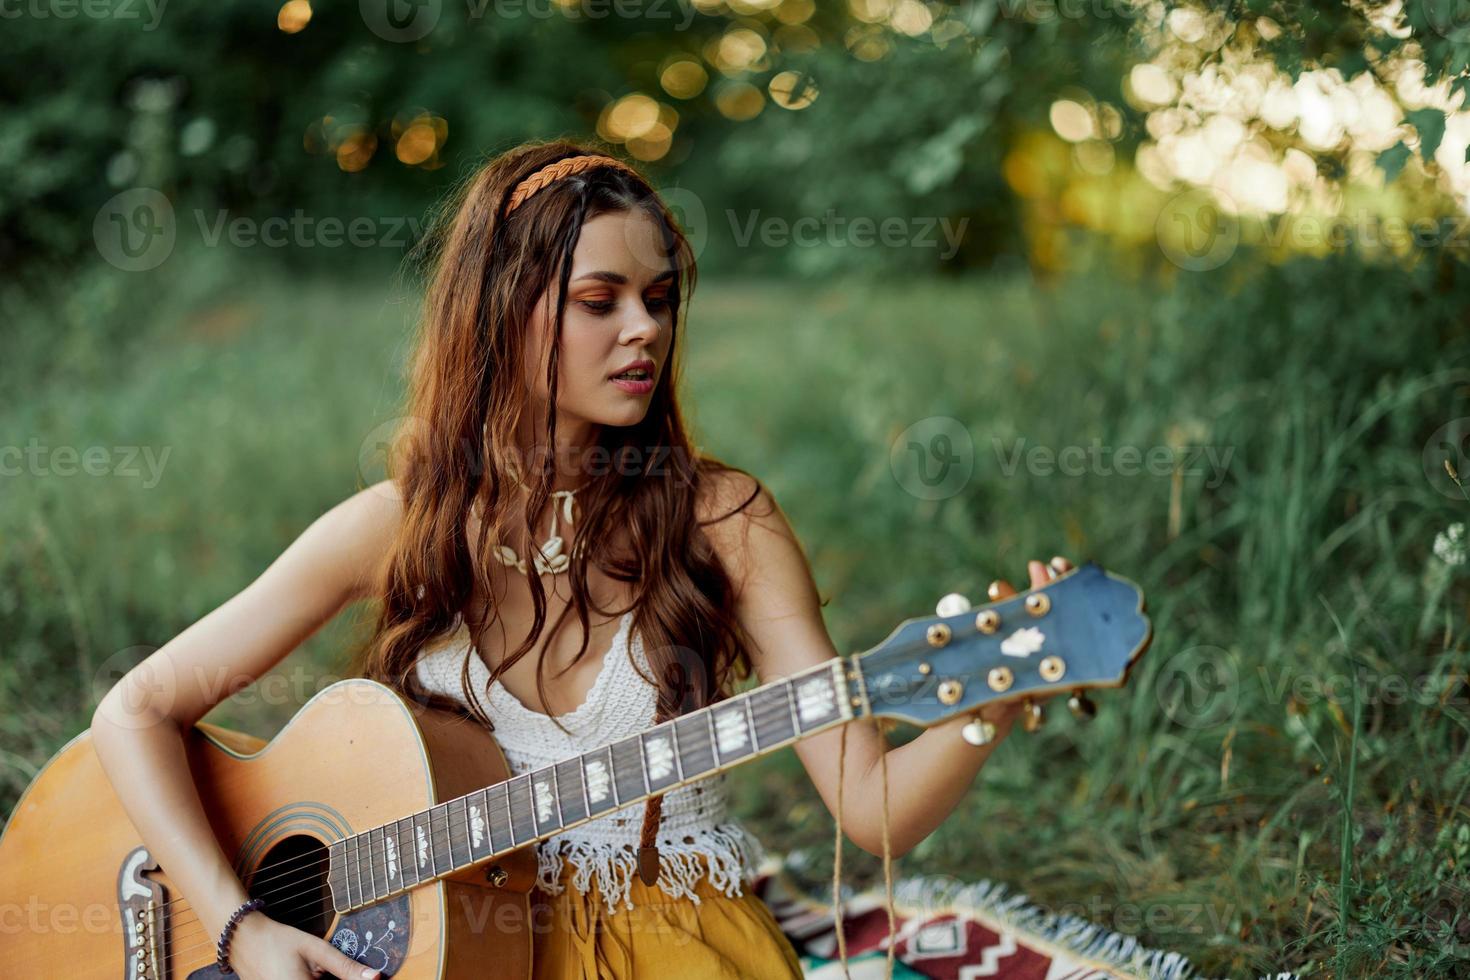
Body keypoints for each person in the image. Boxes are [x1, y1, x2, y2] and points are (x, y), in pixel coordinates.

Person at [90, 139, 1069, 979]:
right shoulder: (397, 524)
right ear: (502, 311)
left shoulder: (725, 518)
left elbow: (874, 810)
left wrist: (978, 715)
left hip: (670, 940)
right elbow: (136, 709)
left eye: (659, 298)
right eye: (599, 300)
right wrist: (239, 922)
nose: (645, 328)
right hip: (447, 946)